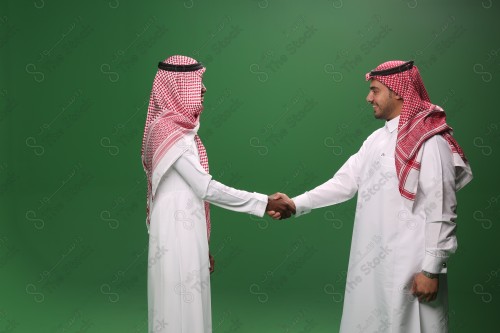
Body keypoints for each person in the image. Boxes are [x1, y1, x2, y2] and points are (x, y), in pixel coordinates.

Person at [270, 60, 473, 333]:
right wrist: (296, 204)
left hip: (411, 265)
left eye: (375, 90)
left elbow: (442, 207)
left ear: (398, 91)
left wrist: (431, 269)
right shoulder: (376, 140)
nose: (368, 98)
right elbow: (344, 182)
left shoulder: (431, 141)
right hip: (370, 263)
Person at [141, 55, 295, 333]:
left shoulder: (180, 132)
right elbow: (205, 188)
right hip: (175, 232)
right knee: (176, 308)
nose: (203, 89)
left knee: (189, 307)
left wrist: (202, 245)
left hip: (186, 230)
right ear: (177, 87)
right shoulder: (168, 131)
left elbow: (193, 193)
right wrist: (264, 203)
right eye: (197, 82)